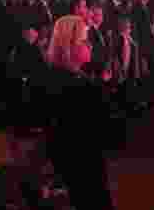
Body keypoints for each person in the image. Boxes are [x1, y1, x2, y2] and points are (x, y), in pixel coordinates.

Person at [43, 15, 115, 210]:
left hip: (70, 166)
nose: (89, 45)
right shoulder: (77, 86)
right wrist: (103, 89)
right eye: (84, 40)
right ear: (69, 46)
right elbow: (107, 130)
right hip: (82, 167)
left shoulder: (53, 77)